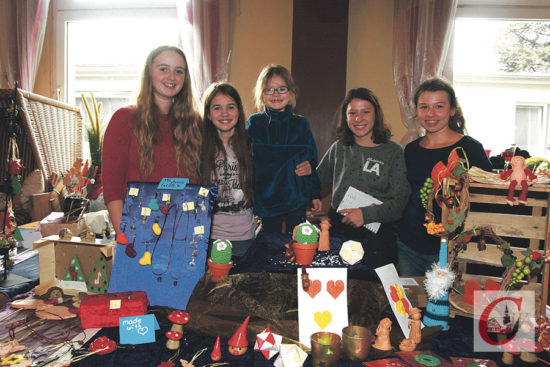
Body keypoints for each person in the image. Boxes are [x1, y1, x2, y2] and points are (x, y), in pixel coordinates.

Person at [398, 77, 492, 276]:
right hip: (409, 245)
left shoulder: (470, 149)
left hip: (453, 249)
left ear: (452, 110)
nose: (431, 114)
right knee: (411, 305)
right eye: (424, 107)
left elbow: (487, 200)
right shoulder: (411, 149)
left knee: (447, 306)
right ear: (416, 111)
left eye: (438, 106)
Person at [102, 45, 201, 233]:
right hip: (136, 233)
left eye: (178, 71)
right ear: (149, 73)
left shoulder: (196, 124)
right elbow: (112, 190)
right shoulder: (123, 120)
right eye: (163, 69)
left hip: (182, 233)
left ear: (185, 79)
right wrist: (124, 239)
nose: (171, 77)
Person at [316, 88, 410, 268]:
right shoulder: (339, 148)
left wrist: (365, 215)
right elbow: (315, 182)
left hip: (377, 239)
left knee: (374, 293)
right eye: (352, 113)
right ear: (346, 117)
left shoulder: (394, 152)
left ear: (376, 115)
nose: (358, 119)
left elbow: (399, 203)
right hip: (338, 232)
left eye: (365, 112)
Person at [247, 64, 322, 234]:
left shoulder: (300, 124)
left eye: (281, 89)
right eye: (270, 90)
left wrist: (315, 194)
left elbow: (310, 161)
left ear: (291, 93)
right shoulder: (255, 122)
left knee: (297, 244)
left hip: (294, 197)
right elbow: (247, 160)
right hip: (265, 198)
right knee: (268, 245)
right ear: (262, 94)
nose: (275, 94)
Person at [200, 82, 255, 258]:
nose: (224, 113)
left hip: (244, 238)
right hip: (207, 238)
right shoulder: (198, 147)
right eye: (217, 108)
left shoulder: (252, 144)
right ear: (208, 114)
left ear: (239, 111)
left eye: (230, 107)